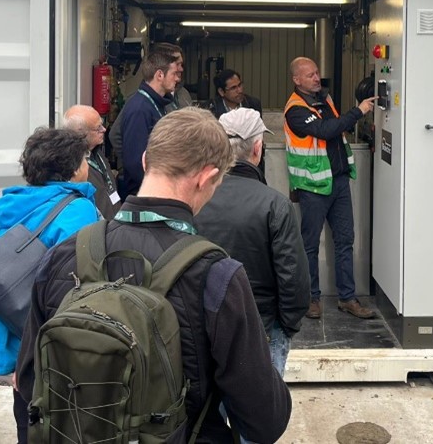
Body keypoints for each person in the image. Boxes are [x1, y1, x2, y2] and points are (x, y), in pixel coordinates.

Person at [17, 108, 292, 443]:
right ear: (206, 178)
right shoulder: (217, 276)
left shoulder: (64, 256)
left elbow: (30, 384)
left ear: (146, 161)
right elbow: (264, 421)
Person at [0, 127, 100, 444]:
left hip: (13, 337)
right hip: (48, 342)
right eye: (85, 159)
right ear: (74, 167)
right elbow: (76, 282)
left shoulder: (15, 203)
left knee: (28, 423)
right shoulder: (77, 209)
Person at [195, 107, 310, 381]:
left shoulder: (194, 198)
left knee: (207, 418)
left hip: (203, 325)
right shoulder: (274, 204)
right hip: (262, 326)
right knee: (258, 419)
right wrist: (286, 326)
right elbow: (293, 276)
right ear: (257, 149)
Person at [284, 56, 375, 320]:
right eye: (310, 75)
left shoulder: (325, 99)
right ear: (296, 80)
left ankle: (347, 298)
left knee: (345, 240)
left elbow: (336, 129)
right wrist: (357, 111)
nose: (316, 78)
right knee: (309, 244)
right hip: (313, 186)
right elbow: (325, 130)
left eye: (316, 73)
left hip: (338, 181)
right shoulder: (295, 109)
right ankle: (311, 298)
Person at [117, 49, 182, 197]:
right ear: (159, 75)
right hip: (146, 195)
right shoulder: (140, 109)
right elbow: (135, 163)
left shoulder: (156, 104)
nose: (177, 79)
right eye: (173, 74)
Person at [63, 104, 118, 218]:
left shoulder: (96, 151)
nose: (104, 129)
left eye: (102, 124)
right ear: (80, 133)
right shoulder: (70, 165)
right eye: (98, 128)